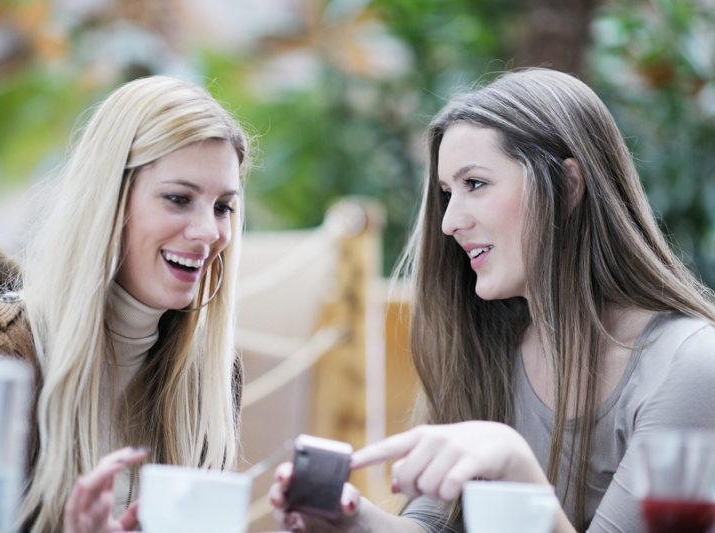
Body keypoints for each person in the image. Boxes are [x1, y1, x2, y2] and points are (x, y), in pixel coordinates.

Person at [270, 68, 715, 532]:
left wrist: (515, 469)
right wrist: (350, 520)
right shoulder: (487, 343)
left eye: (475, 185)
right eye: (447, 194)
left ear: (567, 187)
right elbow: (434, 525)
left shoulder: (690, 366)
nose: (449, 221)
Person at [0, 75, 251, 533]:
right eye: (179, 199)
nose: (209, 232)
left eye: (222, 207)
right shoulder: (6, 352)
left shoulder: (212, 378)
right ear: (109, 200)